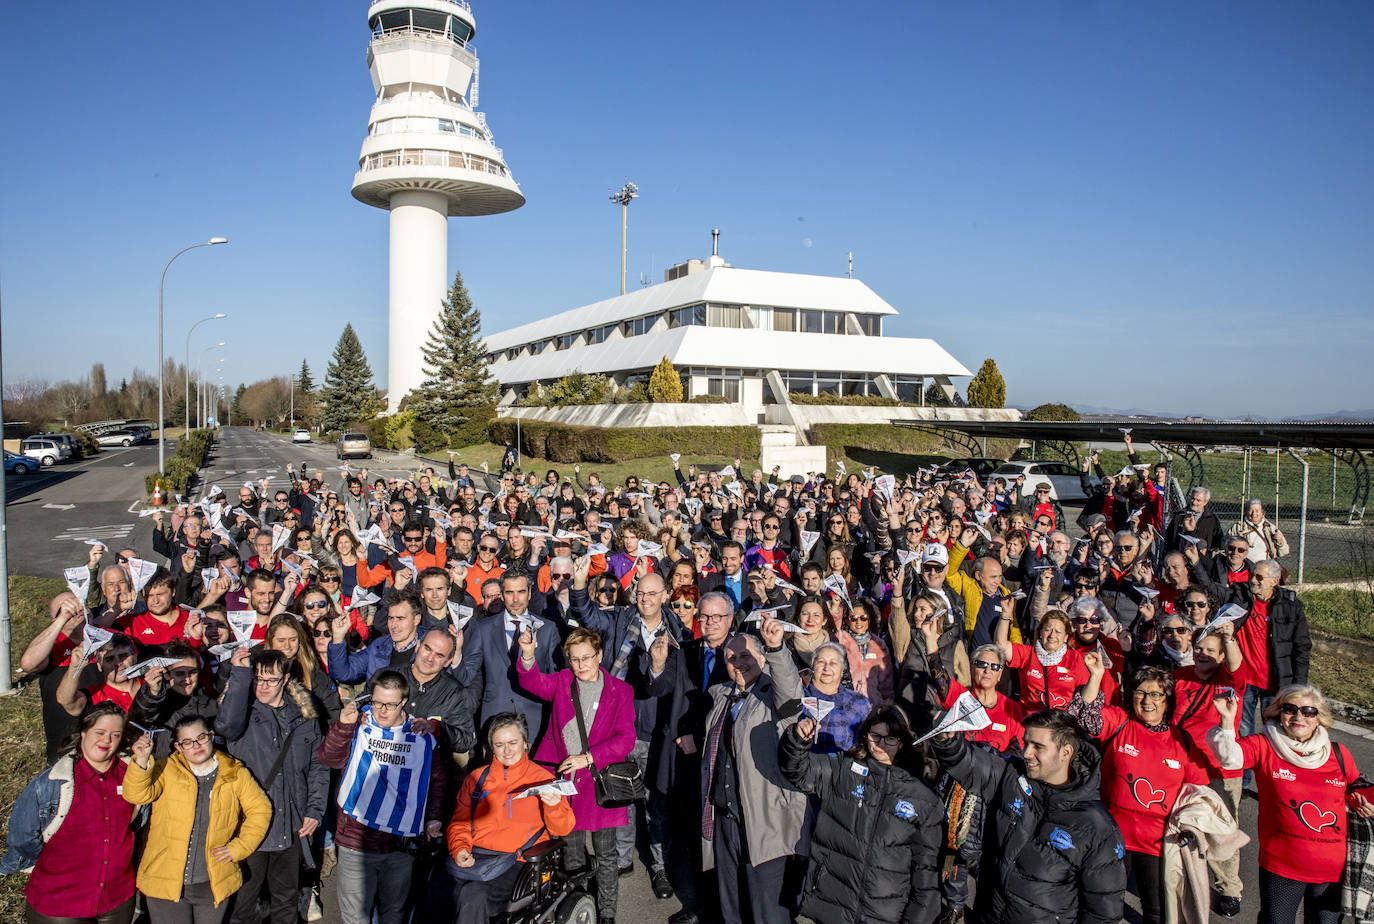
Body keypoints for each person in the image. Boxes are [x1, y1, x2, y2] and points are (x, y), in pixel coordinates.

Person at [929, 708, 1127, 923]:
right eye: (1026, 743)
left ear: (1066, 752)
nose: (1026, 753)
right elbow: (968, 762)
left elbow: (1103, 914)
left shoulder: (1097, 828)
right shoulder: (1011, 775)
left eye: (1038, 747)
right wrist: (947, 740)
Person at [1208, 685, 1374, 924]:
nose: (1299, 716)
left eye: (1308, 711)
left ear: (1319, 718)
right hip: (1282, 868)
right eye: (1290, 709)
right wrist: (1226, 720)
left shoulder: (1338, 753)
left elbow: (1357, 790)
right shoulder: (1265, 746)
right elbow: (1229, 757)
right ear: (1278, 711)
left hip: (1332, 870)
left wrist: (1367, 805)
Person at [1067, 658, 1212, 924]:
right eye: (1141, 693)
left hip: (1157, 843)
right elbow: (1080, 718)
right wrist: (1096, 676)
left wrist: (1191, 827)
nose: (1147, 700)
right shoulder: (1119, 722)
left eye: (1156, 694)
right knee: (1101, 903)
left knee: (1156, 911)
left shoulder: (1183, 741)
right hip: (1111, 835)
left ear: (1167, 700)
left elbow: (1197, 791)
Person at [778, 707, 943, 924]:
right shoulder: (843, 770)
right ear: (866, 737)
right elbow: (797, 770)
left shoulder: (923, 798)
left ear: (902, 742)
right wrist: (797, 740)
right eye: (875, 736)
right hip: (828, 905)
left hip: (883, 914)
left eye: (890, 738)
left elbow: (926, 875)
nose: (881, 744)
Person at [515, 626, 636, 924]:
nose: (581, 665)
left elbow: (626, 739)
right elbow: (532, 682)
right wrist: (528, 656)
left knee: (606, 855)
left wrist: (588, 758)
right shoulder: (563, 681)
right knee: (572, 852)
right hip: (565, 782)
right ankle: (578, 905)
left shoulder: (620, 691)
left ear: (599, 656)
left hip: (600, 783)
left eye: (587, 658)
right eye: (574, 659)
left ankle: (607, 914)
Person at [317, 670, 447, 924]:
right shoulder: (358, 725)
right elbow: (328, 758)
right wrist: (343, 726)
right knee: (356, 916)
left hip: (399, 844)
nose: (382, 711)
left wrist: (433, 819)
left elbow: (437, 782)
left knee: (393, 914)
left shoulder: (421, 737)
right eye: (377, 703)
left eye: (389, 704)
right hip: (356, 839)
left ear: (403, 702)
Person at [122, 714, 273, 923]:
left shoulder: (234, 773)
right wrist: (140, 760)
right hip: (165, 880)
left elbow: (261, 810)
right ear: (178, 746)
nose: (196, 745)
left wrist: (238, 848)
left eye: (201, 737)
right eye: (187, 742)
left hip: (212, 882)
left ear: (211, 736)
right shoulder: (165, 769)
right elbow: (137, 795)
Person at [699, 635, 807, 924]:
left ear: (761, 659)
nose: (739, 663)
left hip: (764, 817)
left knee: (768, 911)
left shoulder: (774, 694)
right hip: (725, 817)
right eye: (731, 658)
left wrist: (776, 648)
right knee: (732, 908)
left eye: (746, 656)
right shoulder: (721, 695)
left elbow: (792, 692)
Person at [217, 647, 329, 924]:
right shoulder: (242, 713)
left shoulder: (305, 717)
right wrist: (241, 673)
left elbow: (319, 766)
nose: (263, 686)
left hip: (291, 824)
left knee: (285, 903)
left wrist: (314, 810)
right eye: (258, 679)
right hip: (249, 825)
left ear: (285, 679)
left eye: (270, 680)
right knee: (244, 905)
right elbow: (226, 726)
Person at [1, 702, 139, 924]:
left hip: (116, 900)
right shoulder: (50, 784)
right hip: (61, 903)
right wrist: (50, 865)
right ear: (83, 733)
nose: (106, 740)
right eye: (100, 732)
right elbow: (21, 836)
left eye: (115, 735)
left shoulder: (133, 776)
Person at [445, 714, 576, 924]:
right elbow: (460, 822)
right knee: (436, 890)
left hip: (519, 863)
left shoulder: (543, 779)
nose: (507, 750)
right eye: (499, 744)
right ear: (491, 747)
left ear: (525, 743)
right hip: (477, 856)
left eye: (513, 742)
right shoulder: (476, 778)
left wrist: (553, 807)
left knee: (473, 895)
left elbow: (564, 828)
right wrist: (460, 848)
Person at [994, 607, 1088, 711]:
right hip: (1031, 720)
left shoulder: (1074, 658)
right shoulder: (1028, 654)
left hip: (1061, 722)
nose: (1052, 635)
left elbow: (1084, 695)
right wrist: (1006, 614)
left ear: (1066, 637)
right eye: (1047, 630)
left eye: (1058, 632)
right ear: (1040, 632)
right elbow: (1001, 646)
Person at [1229, 499, 1289, 564]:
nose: (1254, 513)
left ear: (1262, 512)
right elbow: (1225, 546)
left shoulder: (1270, 528)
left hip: (1265, 567)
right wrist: (1234, 540)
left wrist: (1280, 542)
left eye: (1257, 511)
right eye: (1251, 510)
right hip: (1243, 568)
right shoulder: (1238, 527)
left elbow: (1284, 551)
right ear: (1246, 512)